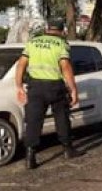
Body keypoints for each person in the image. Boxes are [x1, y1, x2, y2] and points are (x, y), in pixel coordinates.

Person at [15, 17, 80, 170]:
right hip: (54, 87)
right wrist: (73, 89)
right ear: (62, 31)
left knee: (33, 121)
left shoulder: (32, 43)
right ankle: (67, 149)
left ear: (46, 29)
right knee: (62, 117)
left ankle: (30, 157)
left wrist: (18, 86)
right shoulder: (61, 44)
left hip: (35, 87)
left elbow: (21, 64)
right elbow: (65, 67)